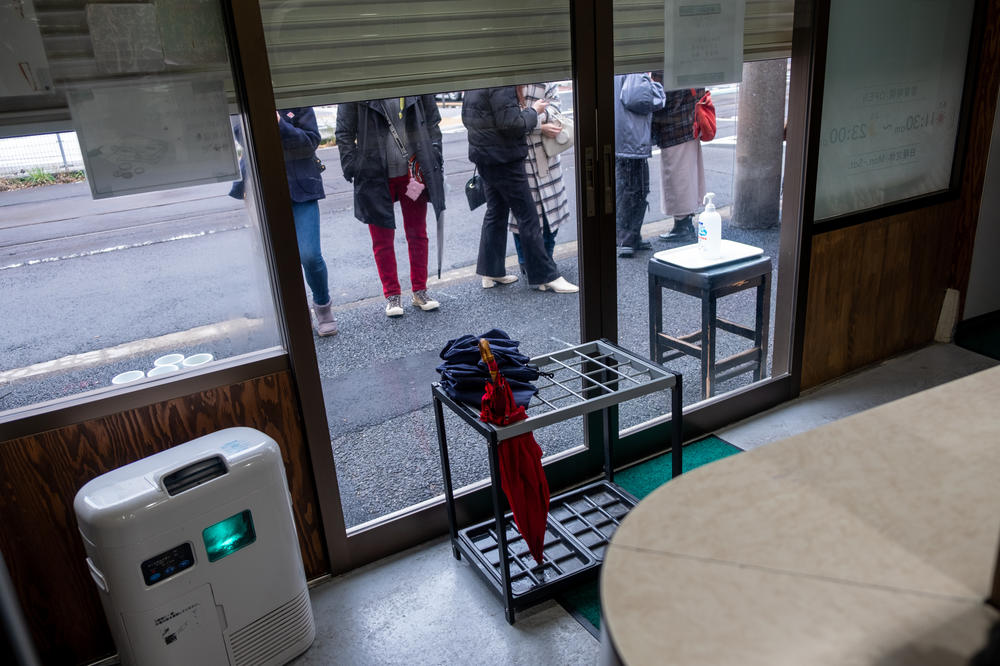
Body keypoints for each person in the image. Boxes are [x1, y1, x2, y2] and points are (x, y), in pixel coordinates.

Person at [229, 107, 337, 336]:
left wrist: (279, 122)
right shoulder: (244, 105)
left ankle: (323, 306)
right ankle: (296, 313)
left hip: (302, 187)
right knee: (280, 260)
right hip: (263, 189)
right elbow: (243, 136)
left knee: (310, 255)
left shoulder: (297, 102)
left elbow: (310, 142)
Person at [335, 95, 445, 317]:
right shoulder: (357, 85)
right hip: (374, 171)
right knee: (382, 238)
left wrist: (434, 154)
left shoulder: (411, 78)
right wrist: (354, 166)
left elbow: (433, 122)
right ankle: (392, 295)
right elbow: (344, 132)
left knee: (417, 233)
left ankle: (420, 290)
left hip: (412, 171)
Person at [462, 86, 578, 293]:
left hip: (484, 156)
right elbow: (512, 124)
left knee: (496, 212)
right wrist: (533, 111)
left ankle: (491, 271)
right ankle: (545, 276)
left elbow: (467, 118)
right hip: (504, 158)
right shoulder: (502, 83)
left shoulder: (477, 80)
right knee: (528, 216)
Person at [509, 83, 571, 275]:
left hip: (546, 154)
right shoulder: (509, 83)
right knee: (523, 215)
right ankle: (525, 262)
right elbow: (510, 122)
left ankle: (547, 258)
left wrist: (530, 120)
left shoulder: (546, 81)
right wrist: (539, 124)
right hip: (520, 157)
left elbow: (555, 110)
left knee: (551, 212)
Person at [614, 72, 665, 258]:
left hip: (624, 136)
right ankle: (626, 238)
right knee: (634, 188)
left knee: (629, 187)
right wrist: (657, 88)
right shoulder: (636, 66)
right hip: (631, 137)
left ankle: (631, 235)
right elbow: (636, 97)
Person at [651, 75, 708, 243]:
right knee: (688, 174)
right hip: (691, 124)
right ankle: (685, 222)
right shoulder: (690, 67)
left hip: (674, 128)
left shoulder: (666, 69)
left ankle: (682, 226)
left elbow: (660, 99)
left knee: (677, 177)